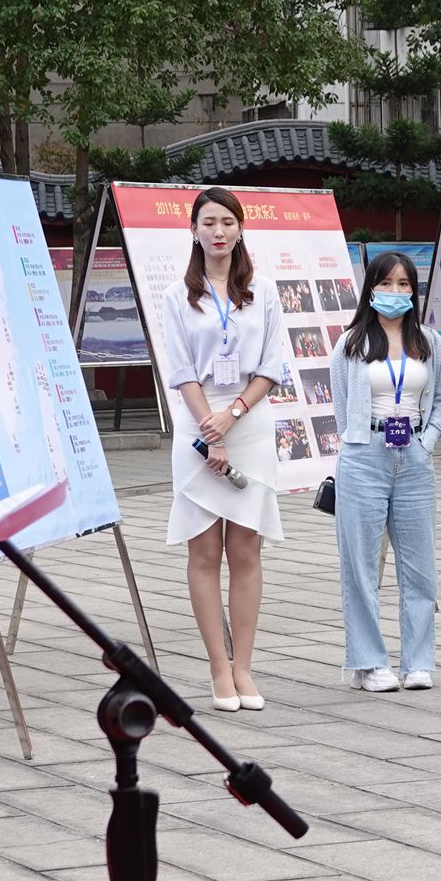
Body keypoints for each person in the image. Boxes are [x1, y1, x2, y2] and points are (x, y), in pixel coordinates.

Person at [158, 186, 292, 713]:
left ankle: (244, 668)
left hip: (249, 421)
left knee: (245, 550)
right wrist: (209, 431)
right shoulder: (177, 296)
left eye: (228, 222)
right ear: (193, 230)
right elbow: (181, 371)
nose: (218, 231)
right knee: (204, 552)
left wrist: (232, 416)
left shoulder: (265, 291)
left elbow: (271, 367)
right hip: (197, 424)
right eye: (209, 222)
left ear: (240, 228)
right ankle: (218, 665)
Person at [328, 252, 441, 692]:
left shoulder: (429, 341)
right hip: (364, 456)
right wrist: (361, 441)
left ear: (414, 291)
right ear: (370, 289)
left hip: (415, 457)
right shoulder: (351, 343)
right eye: (386, 284)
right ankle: (368, 662)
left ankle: (418, 662)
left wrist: (426, 441)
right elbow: (342, 406)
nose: (395, 292)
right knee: (360, 565)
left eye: (404, 285)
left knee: (420, 567)